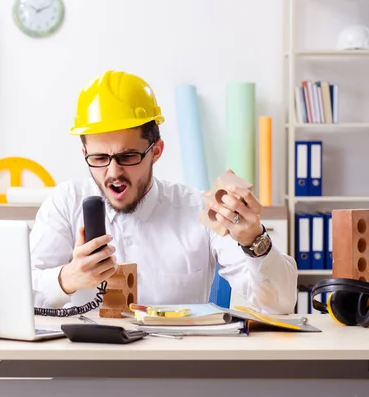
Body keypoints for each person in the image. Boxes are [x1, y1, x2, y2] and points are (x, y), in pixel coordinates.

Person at [30, 70, 298, 315]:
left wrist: (254, 240)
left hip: (174, 364)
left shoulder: (198, 209)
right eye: (99, 158)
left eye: (128, 156)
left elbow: (280, 304)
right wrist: (68, 278)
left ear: (156, 151)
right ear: (84, 153)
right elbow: (21, 294)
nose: (112, 172)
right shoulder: (66, 203)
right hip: (86, 364)